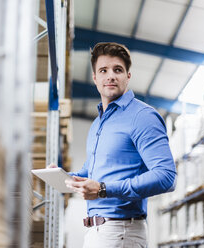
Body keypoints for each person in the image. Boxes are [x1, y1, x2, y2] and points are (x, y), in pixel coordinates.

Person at [51, 42, 176, 247]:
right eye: (103, 70)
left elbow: (166, 177)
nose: (110, 76)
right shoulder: (98, 124)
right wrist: (63, 176)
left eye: (118, 70)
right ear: (95, 78)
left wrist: (103, 189)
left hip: (121, 232)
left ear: (128, 76)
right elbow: (90, 172)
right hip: (96, 231)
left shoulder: (142, 116)